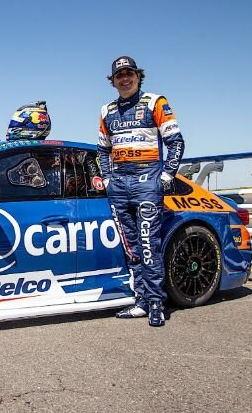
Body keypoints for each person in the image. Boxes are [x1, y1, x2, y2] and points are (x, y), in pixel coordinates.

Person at [97, 56, 185, 327]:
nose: (125, 78)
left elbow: (176, 142)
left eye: (129, 73)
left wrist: (166, 176)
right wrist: (108, 178)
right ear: (113, 81)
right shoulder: (107, 110)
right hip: (119, 184)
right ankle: (141, 301)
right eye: (119, 75)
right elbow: (102, 149)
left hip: (147, 181)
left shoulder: (155, 102)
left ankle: (157, 303)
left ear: (138, 76)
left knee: (149, 245)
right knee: (130, 247)